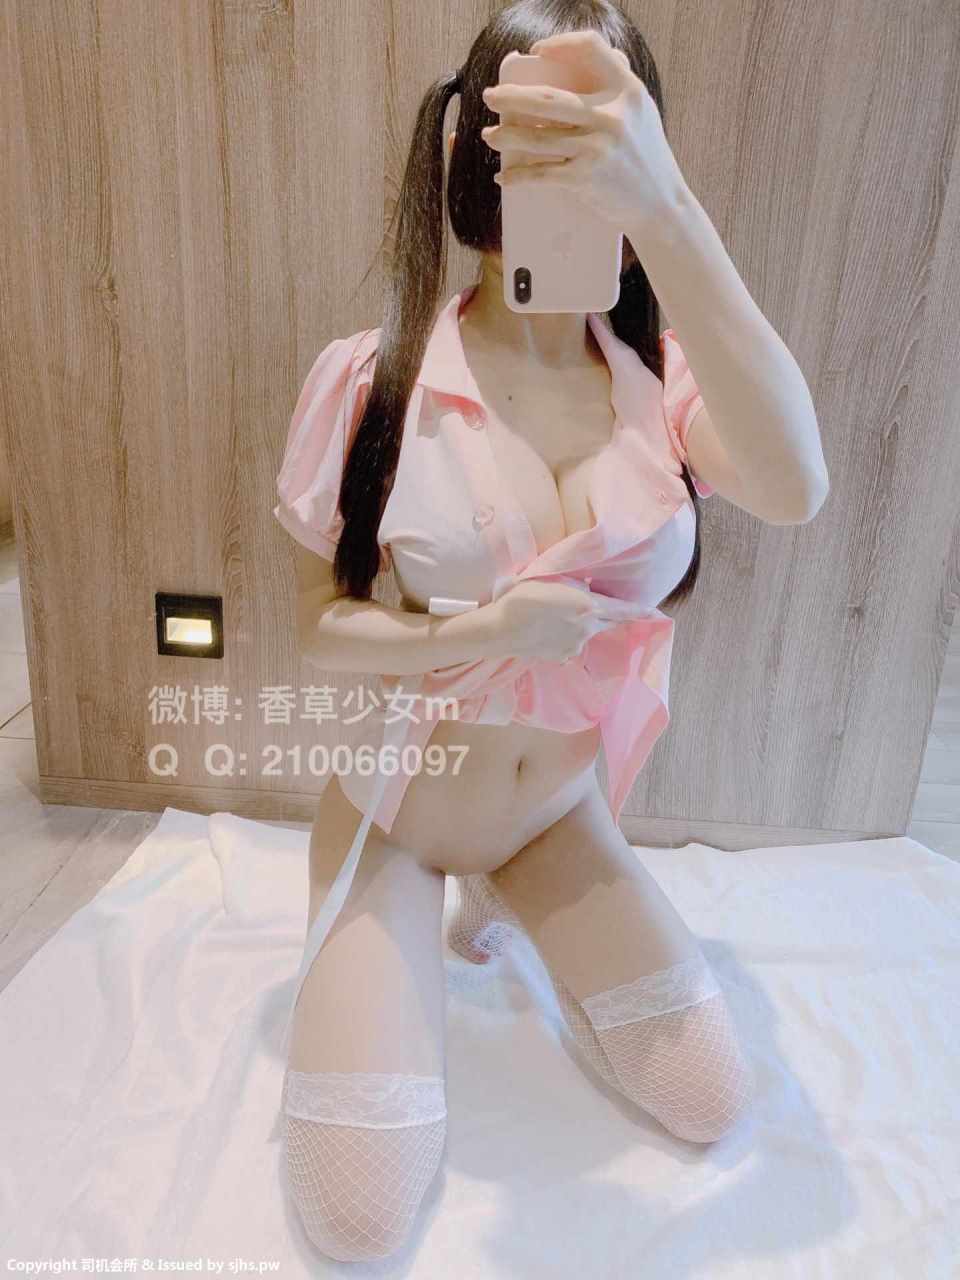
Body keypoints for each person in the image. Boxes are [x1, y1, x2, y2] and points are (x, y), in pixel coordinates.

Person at [273, 7, 828, 1263]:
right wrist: (486, 628)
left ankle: (514, 907)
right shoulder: (372, 378)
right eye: (544, 135)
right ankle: (411, 921)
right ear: (475, 149)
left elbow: (797, 485)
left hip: (555, 814)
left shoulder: (663, 380)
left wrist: (666, 210)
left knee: (713, 1097)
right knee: (358, 1212)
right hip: (397, 809)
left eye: (611, 133)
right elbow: (317, 629)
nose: (577, 169)